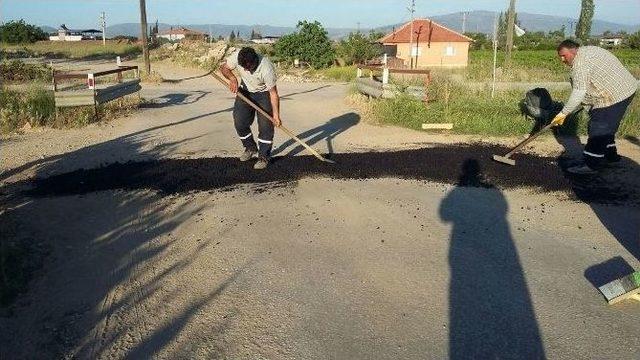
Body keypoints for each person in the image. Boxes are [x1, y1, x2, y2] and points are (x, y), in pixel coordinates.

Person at [550, 39, 638, 174]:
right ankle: (611, 156)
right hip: (626, 88)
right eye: (560, 56)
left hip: (614, 95)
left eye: (564, 55)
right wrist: (588, 106)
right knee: (607, 126)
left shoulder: (580, 64)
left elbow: (579, 92)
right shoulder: (587, 50)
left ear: (573, 51)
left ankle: (591, 165)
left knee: (598, 128)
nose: (562, 59)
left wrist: (563, 113)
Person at [220, 47, 281, 170]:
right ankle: (250, 147)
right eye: (245, 68)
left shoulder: (266, 68)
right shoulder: (237, 56)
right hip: (245, 91)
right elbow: (224, 68)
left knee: (265, 126)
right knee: (239, 122)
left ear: (256, 61)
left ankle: (264, 156)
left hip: (264, 94)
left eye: (250, 67)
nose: (248, 70)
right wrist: (232, 78)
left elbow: (273, 93)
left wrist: (276, 115)